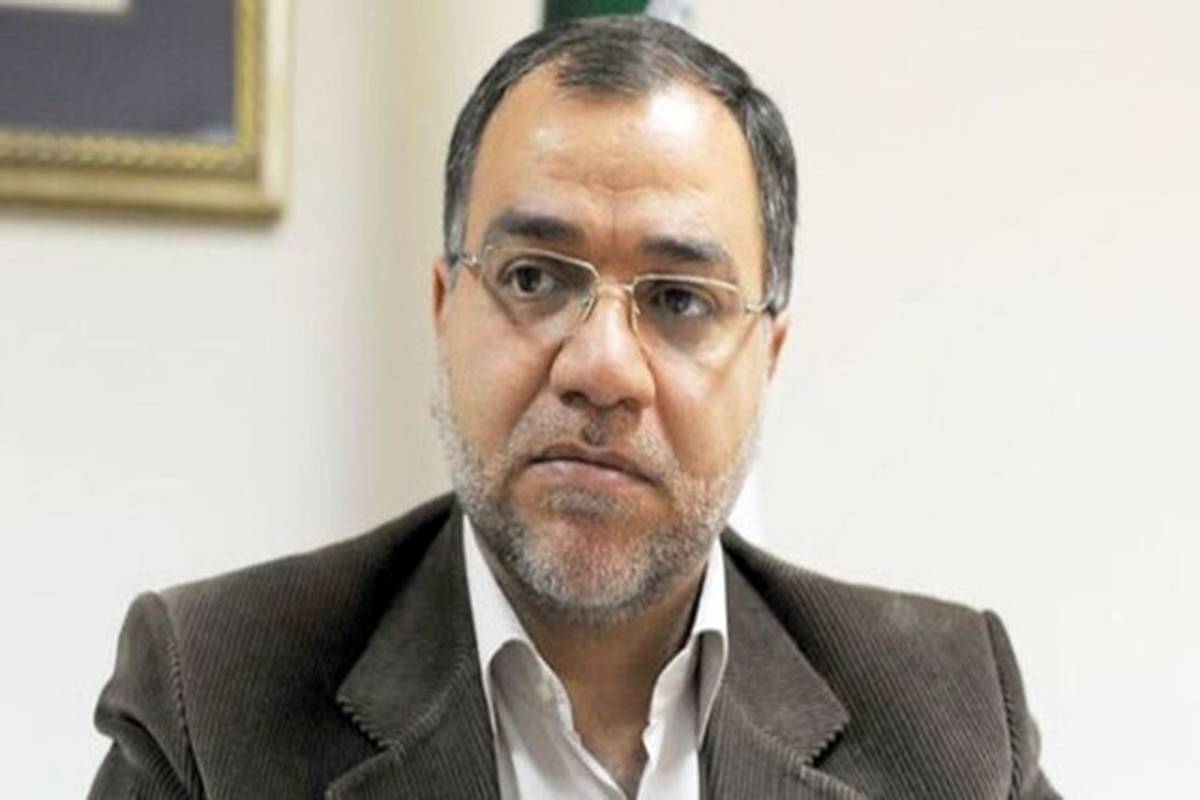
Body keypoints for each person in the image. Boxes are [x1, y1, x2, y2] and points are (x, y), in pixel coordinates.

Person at [90, 15, 1057, 800]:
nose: (601, 367)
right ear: (444, 310)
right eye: (535, 278)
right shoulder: (214, 696)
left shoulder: (949, 716)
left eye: (679, 299)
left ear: (768, 356)